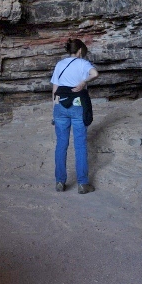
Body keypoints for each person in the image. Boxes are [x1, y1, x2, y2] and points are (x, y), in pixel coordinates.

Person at [51, 38, 98, 194]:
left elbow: (55, 89)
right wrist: (84, 82)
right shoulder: (83, 63)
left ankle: (59, 182)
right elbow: (95, 73)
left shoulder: (59, 64)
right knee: (80, 145)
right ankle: (83, 184)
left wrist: (54, 110)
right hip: (77, 106)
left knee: (61, 145)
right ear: (79, 51)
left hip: (60, 106)